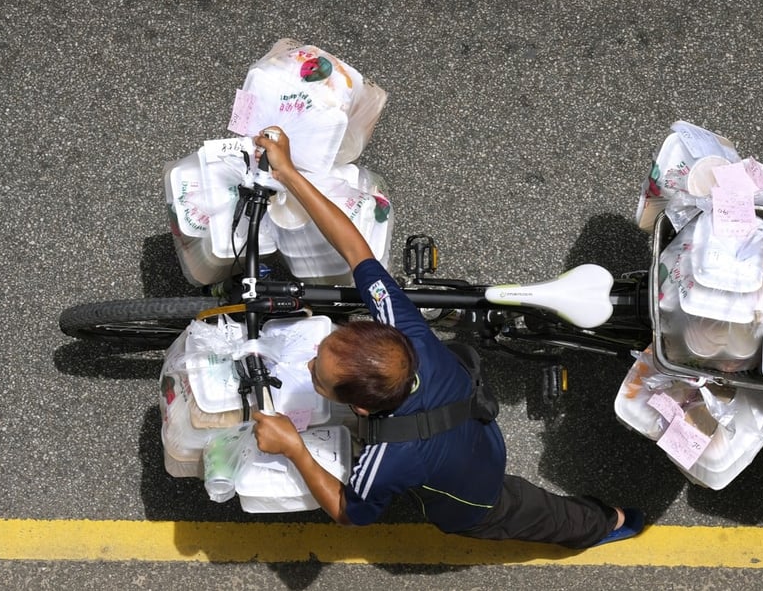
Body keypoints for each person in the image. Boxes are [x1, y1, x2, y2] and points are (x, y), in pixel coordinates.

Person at [250, 126, 644, 549]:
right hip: (471, 425)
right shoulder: (408, 332)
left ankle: (608, 522)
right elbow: (356, 251)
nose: (309, 364)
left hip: (475, 495)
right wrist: (288, 173)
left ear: (362, 406)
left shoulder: (387, 460)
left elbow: (351, 512)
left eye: (318, 376)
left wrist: (294, 447)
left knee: (538, 514)